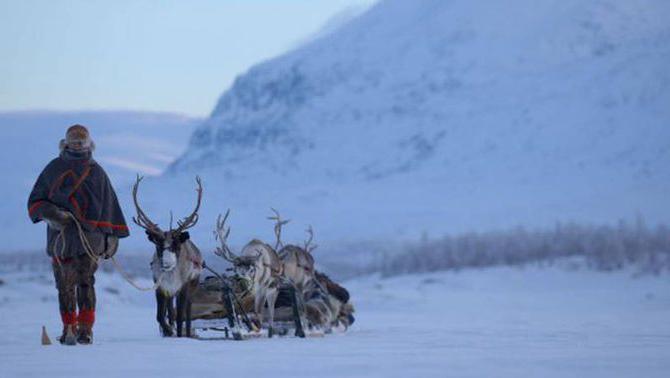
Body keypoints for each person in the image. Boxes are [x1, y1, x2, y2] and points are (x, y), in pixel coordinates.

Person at [27, 125, 129, 345]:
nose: (77, 145)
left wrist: (110, 238)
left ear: (87, 143)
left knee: (85, 282)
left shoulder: (97, 172)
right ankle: (69, 328)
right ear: (66, 143)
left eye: (81, 142)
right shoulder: (53, 168)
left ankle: (85, 330)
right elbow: (36, 200)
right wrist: (54, 214)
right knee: (64, 283)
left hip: (89, 239)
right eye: (74, 141)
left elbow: (109, 206)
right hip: (61, 237)